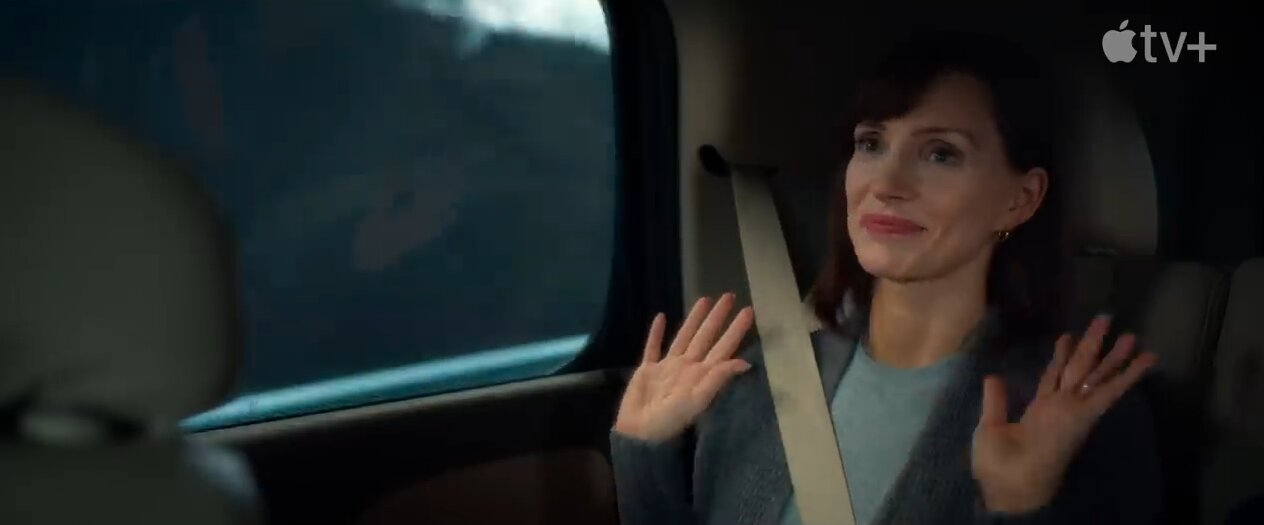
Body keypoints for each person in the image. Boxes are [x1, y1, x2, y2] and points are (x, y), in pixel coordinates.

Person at [609, 30, 1164, 525]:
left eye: (941, 154)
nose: (887, 183)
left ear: (1020, 200)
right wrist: (643, 456)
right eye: (871, 144)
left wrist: (1019, 505)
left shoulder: (1075, 413)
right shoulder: (751, 382)